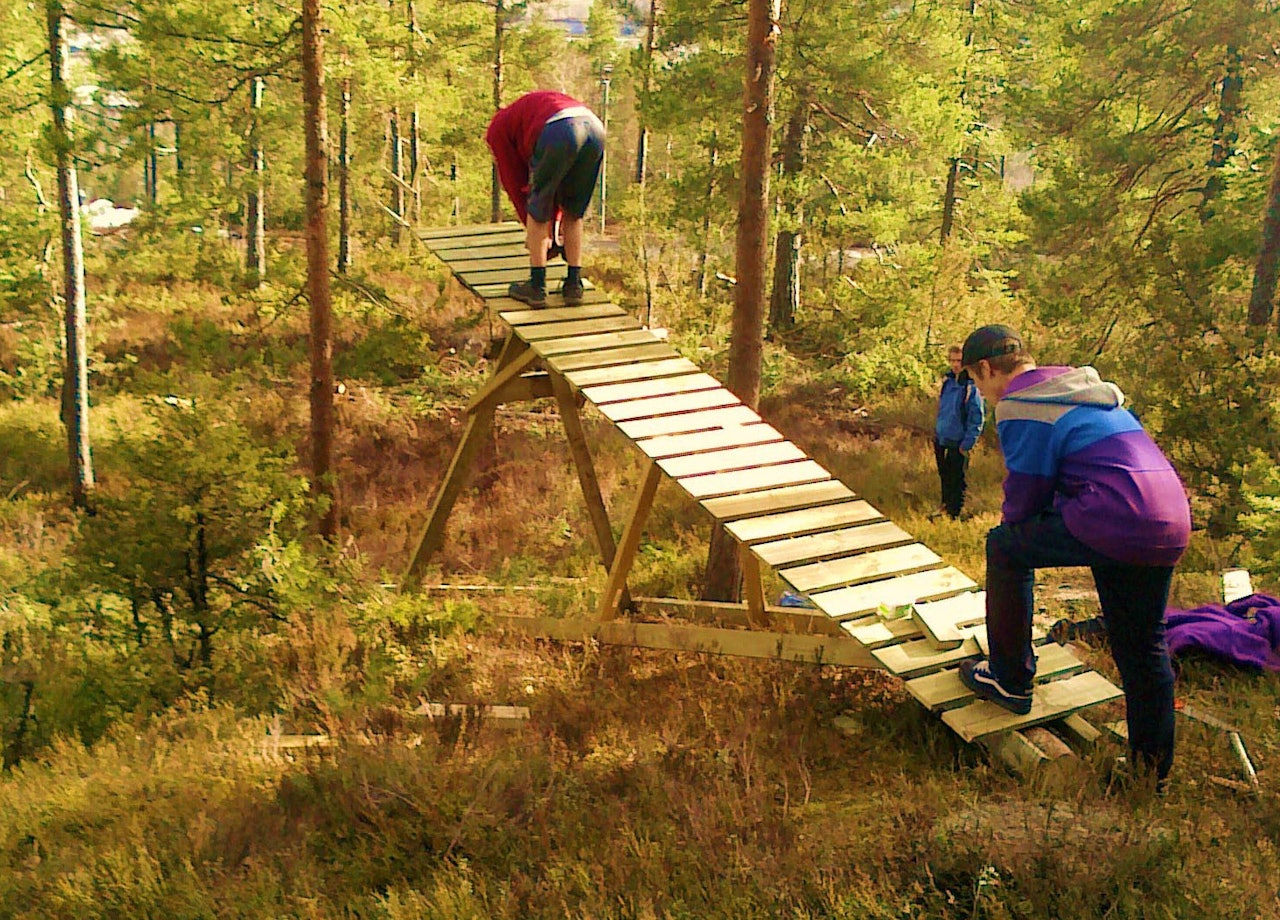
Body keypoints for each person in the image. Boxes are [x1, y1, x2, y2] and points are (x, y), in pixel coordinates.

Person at [956, 324, 1191, 786]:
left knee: (1004, 548)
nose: (981, 395)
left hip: (1117, 517)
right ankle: (1150, 774)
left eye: (976, 382)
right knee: (1142, 646)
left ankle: (1009, 677)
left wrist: (1016, 525)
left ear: (985, 369)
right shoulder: (1081, 390)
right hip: (1168, 516)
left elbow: (1026, 493)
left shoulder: (1018, 403)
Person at [485, 91, 606, 308]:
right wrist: (552, 228)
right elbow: (557, 189)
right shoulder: (527, 111)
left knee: (538, 210)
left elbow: (517, 186)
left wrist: (538, 230)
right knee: (574, 211)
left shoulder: (497, 131)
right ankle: (573, 285)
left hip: (559, 130)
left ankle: (537, 287)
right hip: (594, 128)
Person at [934, 344, 984, 519]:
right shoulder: (947, 382)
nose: (955, 365)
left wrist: (967, 443)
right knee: (944, 476)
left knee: (957, 478)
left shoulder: (971, 388)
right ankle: (945, 507)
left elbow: (976, 418)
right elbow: (943, 409)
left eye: (959, 361)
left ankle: (954, 513)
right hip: (942, 438)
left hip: (958, 441)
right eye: (952, 360)